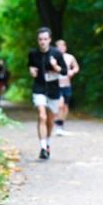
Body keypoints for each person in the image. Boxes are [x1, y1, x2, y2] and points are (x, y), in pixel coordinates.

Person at [27, 27, 67, 160]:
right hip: (39, 88)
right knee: (42, 116)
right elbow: (31, 66)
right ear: (37, 40)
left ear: (49, 40)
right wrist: (32, 71)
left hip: (53, 90)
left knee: (50, 121)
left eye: (45, 39)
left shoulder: (56, 53)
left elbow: (64, 71)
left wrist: (56, 67)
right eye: (40, 39)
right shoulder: (33, 53)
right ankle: (43, 147)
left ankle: (47, 143)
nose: (42, 42)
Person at [54, 39, 80, 136]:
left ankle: (60, 125)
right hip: (56, 85)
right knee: (60, 105)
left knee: (65, 107)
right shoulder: (53, 58)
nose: (61, 48)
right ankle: (57, 123)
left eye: (62, 46)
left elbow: (76, 67)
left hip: (67, 85)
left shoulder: (70, 57)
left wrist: (72, 72)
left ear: (65, 47)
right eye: (59, 47)